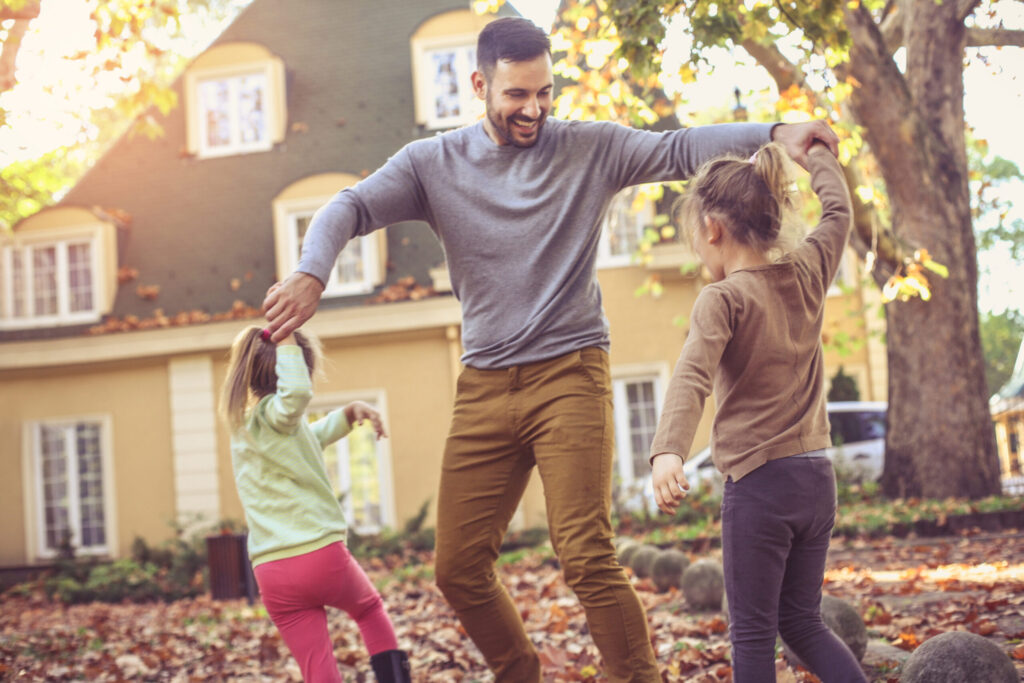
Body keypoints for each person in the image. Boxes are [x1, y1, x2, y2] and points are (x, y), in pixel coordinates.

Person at [262, 16, 839, 683]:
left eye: (544, 92)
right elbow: (349, 206)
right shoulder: (432, 165)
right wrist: (312, 270)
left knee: (586, 553)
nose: (533, 109)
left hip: (571, 371)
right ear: (479, 85)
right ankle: (518, 671)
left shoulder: (587, 149)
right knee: (457, 566)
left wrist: (776, 133)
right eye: (516, 95)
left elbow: (681, 148)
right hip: (483, 383)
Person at [648, 141, 868, 683]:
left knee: (751, 635)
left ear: (712, 228)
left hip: (759, 486)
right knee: (802, 621)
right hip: (816, 478)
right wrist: (817, 154)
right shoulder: (809, 270)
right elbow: (839, 211)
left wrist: (668, 450)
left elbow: (693, 373)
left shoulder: (722, 299)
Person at [219, 325, 411, 683]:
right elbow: (295, 395)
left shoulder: (246, 428)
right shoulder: (279, 413)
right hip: (318, 553)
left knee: (316, 663)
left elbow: (310, 437)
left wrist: (349, 414)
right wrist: (287, 337)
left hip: (271, 570)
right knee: (369, 610)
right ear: (293, 370)